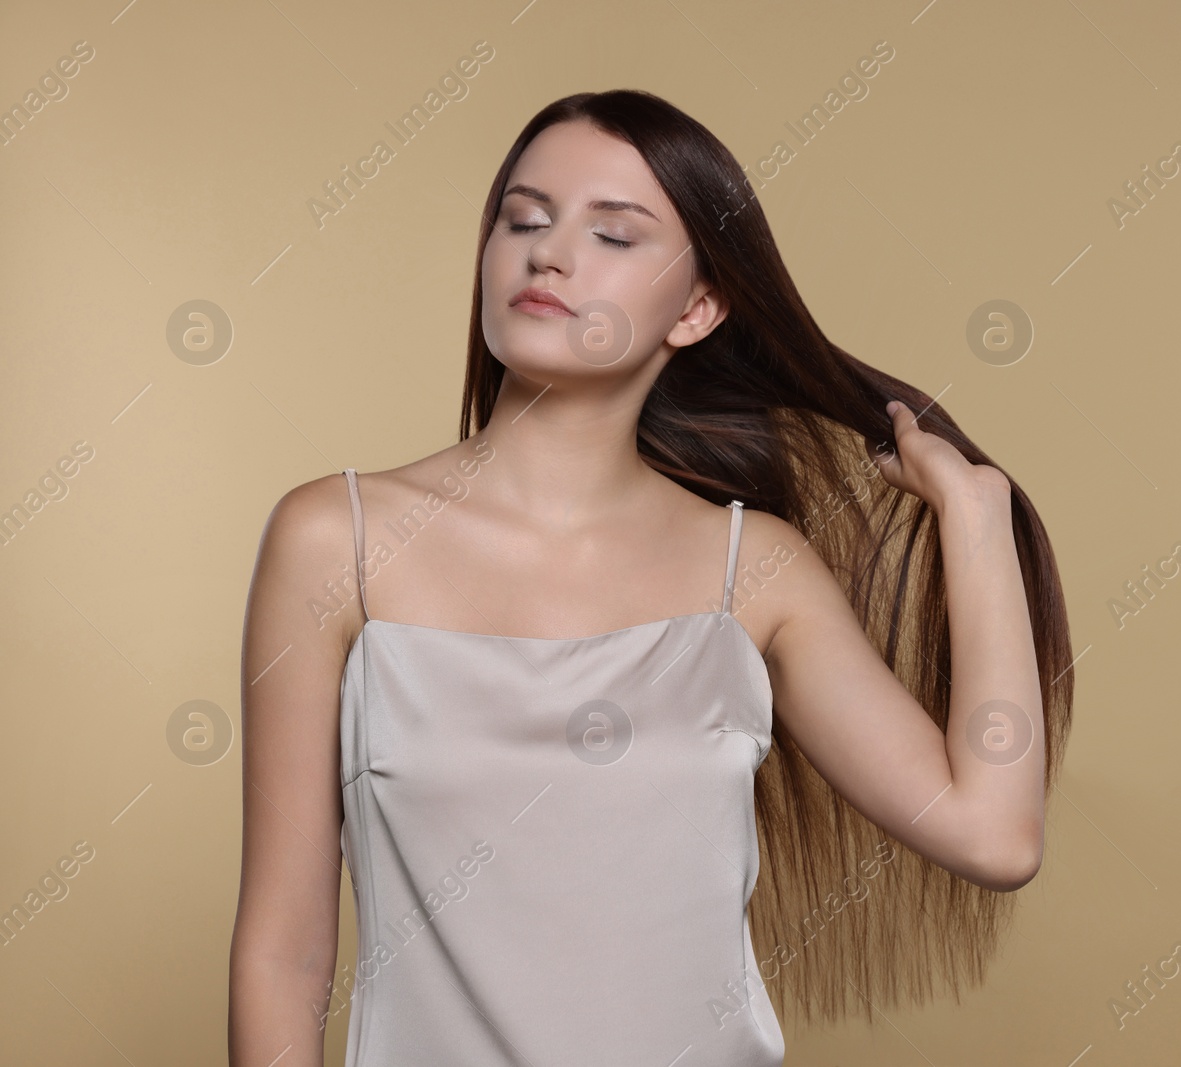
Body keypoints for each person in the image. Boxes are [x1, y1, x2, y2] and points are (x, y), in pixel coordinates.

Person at [228, 89, 1073, 1066]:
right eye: (524, 217)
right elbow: (286, 953)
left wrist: (977, 518)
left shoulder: (752, 572)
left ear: (699, 306)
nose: (549, 253)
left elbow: (995, 834)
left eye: (614, 234)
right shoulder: (336, 540)